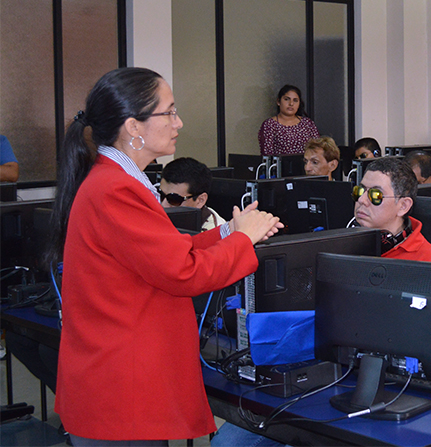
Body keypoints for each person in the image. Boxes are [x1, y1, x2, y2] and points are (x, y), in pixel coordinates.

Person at [48, 67, 282, 445]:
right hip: (122, 391)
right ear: (134, 127)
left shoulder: (118, 180)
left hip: (121, 384)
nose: (180, 122)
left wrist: (229, 232)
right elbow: (184, 272)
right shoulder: (115, 189)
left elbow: (167, 250)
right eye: (169, 112)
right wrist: (244, 240)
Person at [353, 157, 431, 261]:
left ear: (403, 206)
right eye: (360, 190)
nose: (361, 199)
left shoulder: (427, 260)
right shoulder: (341, 245)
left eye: (376, 195)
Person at [160, 157, 227, 231]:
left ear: (200, 200)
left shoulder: (213, 235)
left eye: (174, 199)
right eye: (161, 194)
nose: (163, 204)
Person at [258, 85, 320, 156]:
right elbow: (267, 155)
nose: (291, 104)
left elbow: (318, 150)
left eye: (295, 100)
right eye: (286, 99)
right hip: (280, 166)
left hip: (306, 166)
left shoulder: (307, 123)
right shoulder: (269, 124)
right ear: (278, 101)